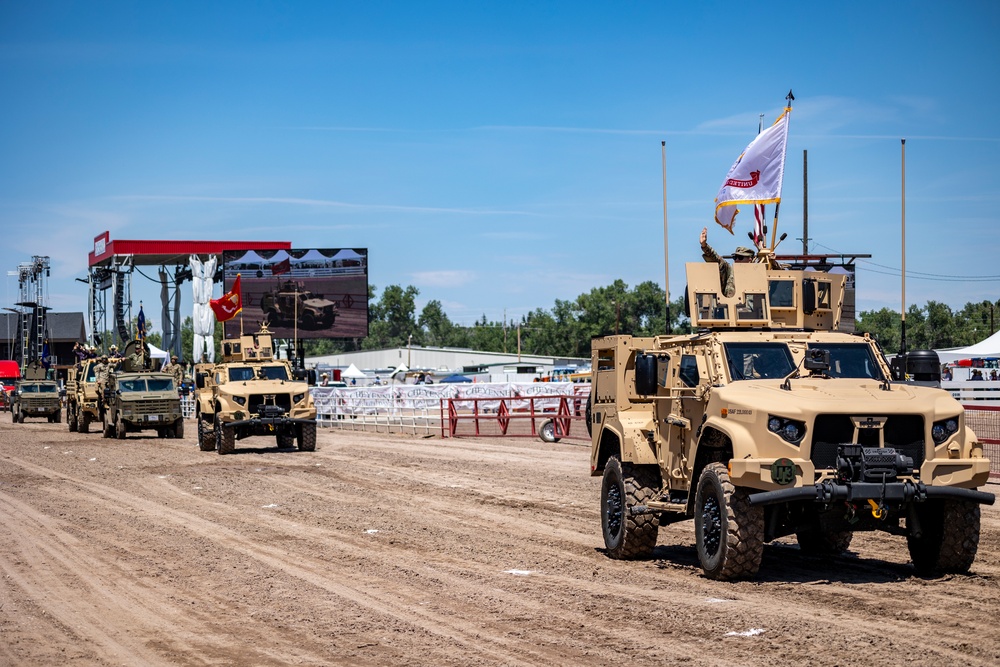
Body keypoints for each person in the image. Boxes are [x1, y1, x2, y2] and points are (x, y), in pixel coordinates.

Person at [700, 227, 755, 298]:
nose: (737, 260)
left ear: (750, 259)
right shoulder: (730, 271)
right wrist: (704, 246)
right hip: (731, 307)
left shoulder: (758, 273)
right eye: (735, 258)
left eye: (740, 257)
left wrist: (773, 263)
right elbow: (717, 259)